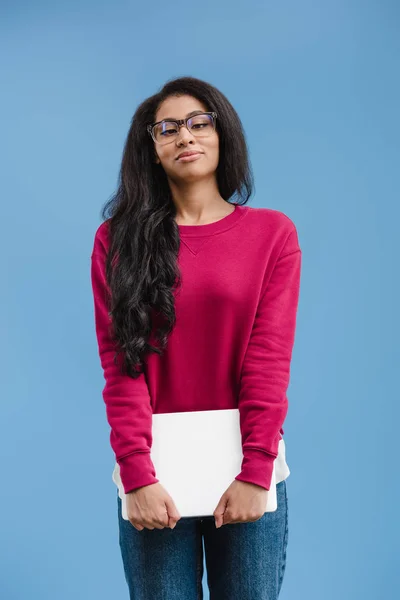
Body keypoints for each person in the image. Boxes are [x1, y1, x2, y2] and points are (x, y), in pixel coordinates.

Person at [90, 75, 302, 599]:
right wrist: (136, 475)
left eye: (197, 123)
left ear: (221, 134)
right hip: (155, 473)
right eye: (167, 129)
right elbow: (121, 367)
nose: (184, 136)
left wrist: (257, 470)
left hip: (248, 468)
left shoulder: (272, 235)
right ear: (153, 150)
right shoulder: (117, 241)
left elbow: (268, 359)